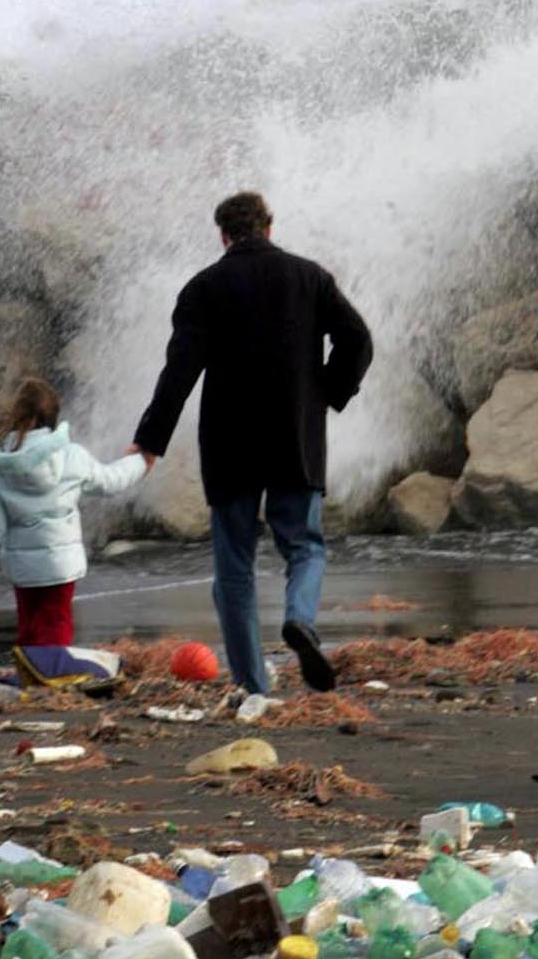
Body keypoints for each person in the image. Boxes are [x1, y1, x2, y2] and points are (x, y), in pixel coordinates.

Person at [133, 191, 373, 696]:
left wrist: (150, 439)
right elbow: (357, 338)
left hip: (230, 444)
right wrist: (328, 391)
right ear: (268, 227)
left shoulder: (203, 288)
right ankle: (300, 618)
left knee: (233, 571)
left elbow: (179, 371)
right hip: (293, 439)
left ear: (223, 235)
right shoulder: (310, 278)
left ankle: (253, 686)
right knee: (304, 547)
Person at [0, 376, 147, 646]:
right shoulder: (71, 456)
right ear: (53, 418)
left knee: (28, 622)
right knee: (56, 621)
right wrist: (142, 461)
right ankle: (51, 675)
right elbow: (111, 481)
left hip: (22, 566)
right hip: (60, 563)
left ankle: (31, 672)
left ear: (14, 415)